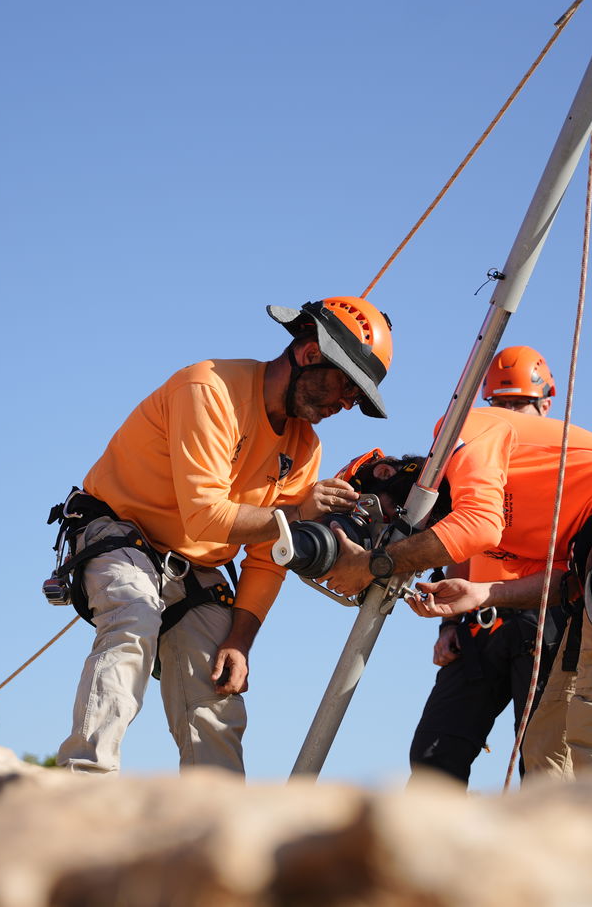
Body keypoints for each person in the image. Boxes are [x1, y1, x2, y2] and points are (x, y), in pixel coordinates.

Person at [320, 346, 592, 782]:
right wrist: (484, 593)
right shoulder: (500, 509)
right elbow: (565, 583)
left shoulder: (467, 427)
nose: (399, 533)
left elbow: (479, 524)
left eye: (387, 518)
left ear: (387, 475)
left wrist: (373, 565)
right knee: (545, 737)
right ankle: (551, 844)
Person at [52, 297, 394, 775]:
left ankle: (215, 827)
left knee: (217, 693)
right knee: (133, 620)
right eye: (346, 384)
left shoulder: (304, 447)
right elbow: (206, 518)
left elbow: (270, 554)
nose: (346, 403)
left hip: (196, 568)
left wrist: (240, 638)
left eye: (357, 397)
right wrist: (296, 511)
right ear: (310, 353)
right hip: (120, 533)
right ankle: (82, 784)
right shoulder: (210, 388)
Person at [405, 347, 567, 786]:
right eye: (501, 405)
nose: (509, 414)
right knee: (433, 755)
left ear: (546, 406)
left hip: (543, 619)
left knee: (543, 761)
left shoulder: (564, 462)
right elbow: (460, 535)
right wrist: (448, 625)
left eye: (520, 405)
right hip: (481, 623)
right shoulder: (478, 451)